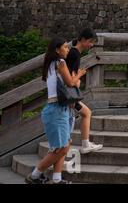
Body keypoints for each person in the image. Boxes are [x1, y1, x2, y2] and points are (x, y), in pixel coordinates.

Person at [26, 37, 86, 184]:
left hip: (59, 109)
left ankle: (57, 179)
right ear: (57, 50)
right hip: (57, 110)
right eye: (65, 47)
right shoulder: (60, 62)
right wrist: (79, 75)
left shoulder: (51, 64)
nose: (67, 49)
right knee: (62, 147)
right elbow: (71, 83)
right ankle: (34, 175)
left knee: (63, 145)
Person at [65, 29, 103, 154]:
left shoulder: (73, 52)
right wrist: (77, 81)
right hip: (69, 93)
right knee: (86, 113)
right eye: (90, 42)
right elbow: (70, 76)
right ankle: (84, 144)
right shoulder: (74, 54)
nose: (91, 45)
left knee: (84, 114)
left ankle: (84, 143)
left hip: (67, 92)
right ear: (82, 39)